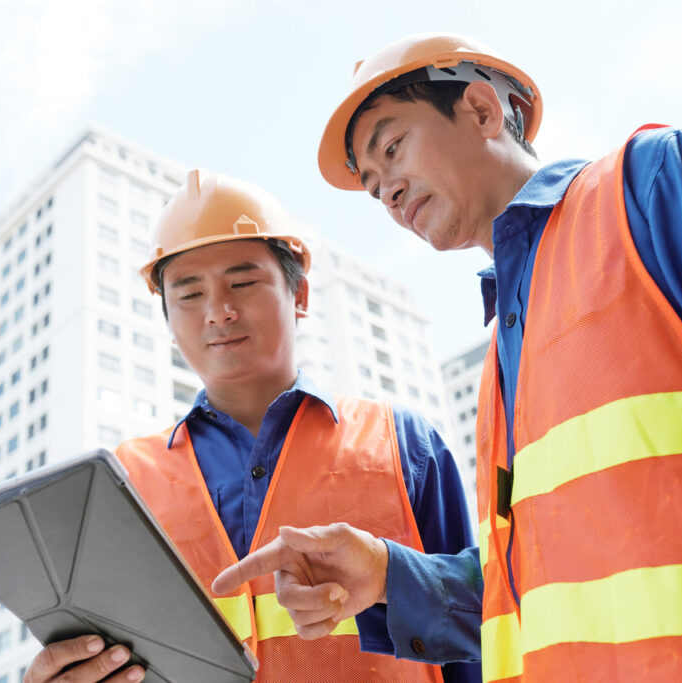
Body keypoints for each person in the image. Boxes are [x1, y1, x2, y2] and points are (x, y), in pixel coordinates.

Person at [212, 33, 682, 681]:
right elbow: (540, 581)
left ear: (480, 110)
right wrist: (392, 574)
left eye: (391, 149)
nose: (386, 192)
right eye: (371, 187)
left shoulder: (653, 185)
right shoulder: (503, 362)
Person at [24, 169, 480, 682]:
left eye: (242, 282)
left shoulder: (403, 447)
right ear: (168, 320)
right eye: (189, 295)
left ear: (300, 293)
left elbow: (486, 631)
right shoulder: (123, 480)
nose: (218, 312)